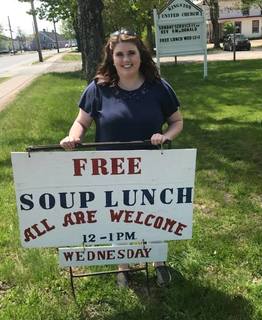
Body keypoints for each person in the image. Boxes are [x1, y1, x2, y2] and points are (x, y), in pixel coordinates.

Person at [60, 29, 183, 288]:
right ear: (111, 57)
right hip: (109, 170)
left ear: (141, 55)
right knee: (117, 216)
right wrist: (73, 137)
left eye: (131, 53)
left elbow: (176, 121)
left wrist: (166, 137)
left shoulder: (158, 87)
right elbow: (81, 122)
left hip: (150, 167)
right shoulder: (98, 87)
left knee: (154, 213)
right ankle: (123, 266)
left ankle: (159, 262)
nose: (126, 59)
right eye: (120, 54)